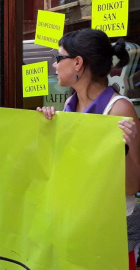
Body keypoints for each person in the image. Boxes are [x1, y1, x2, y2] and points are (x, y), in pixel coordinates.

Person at [36, 29, 140, 270]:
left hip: (107, 236)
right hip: (74, 227)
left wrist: (119, 151)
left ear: (77, 63)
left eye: (59, 59)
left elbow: (132, 186)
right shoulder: (67, 107)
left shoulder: (119, 110)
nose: (54, 66)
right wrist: (45, 132)